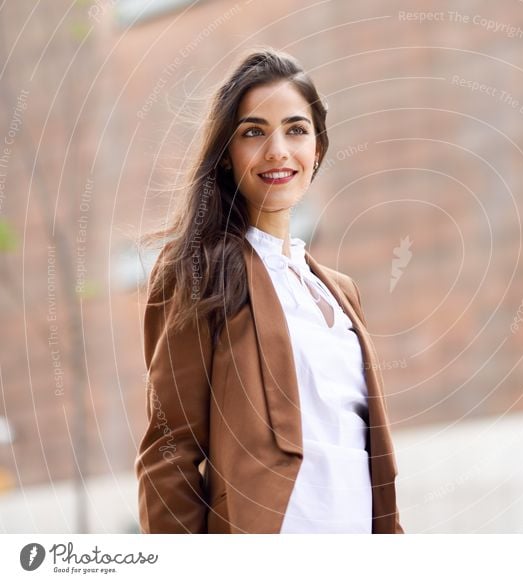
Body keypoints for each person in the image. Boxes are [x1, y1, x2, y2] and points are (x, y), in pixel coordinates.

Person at [134, 47, 403, 534]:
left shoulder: (339, 292)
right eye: (253, 132)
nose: (277, 149)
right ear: (226, 155)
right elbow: (168, 453)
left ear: (317, 148)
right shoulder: (199, 271)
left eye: (296, 129)